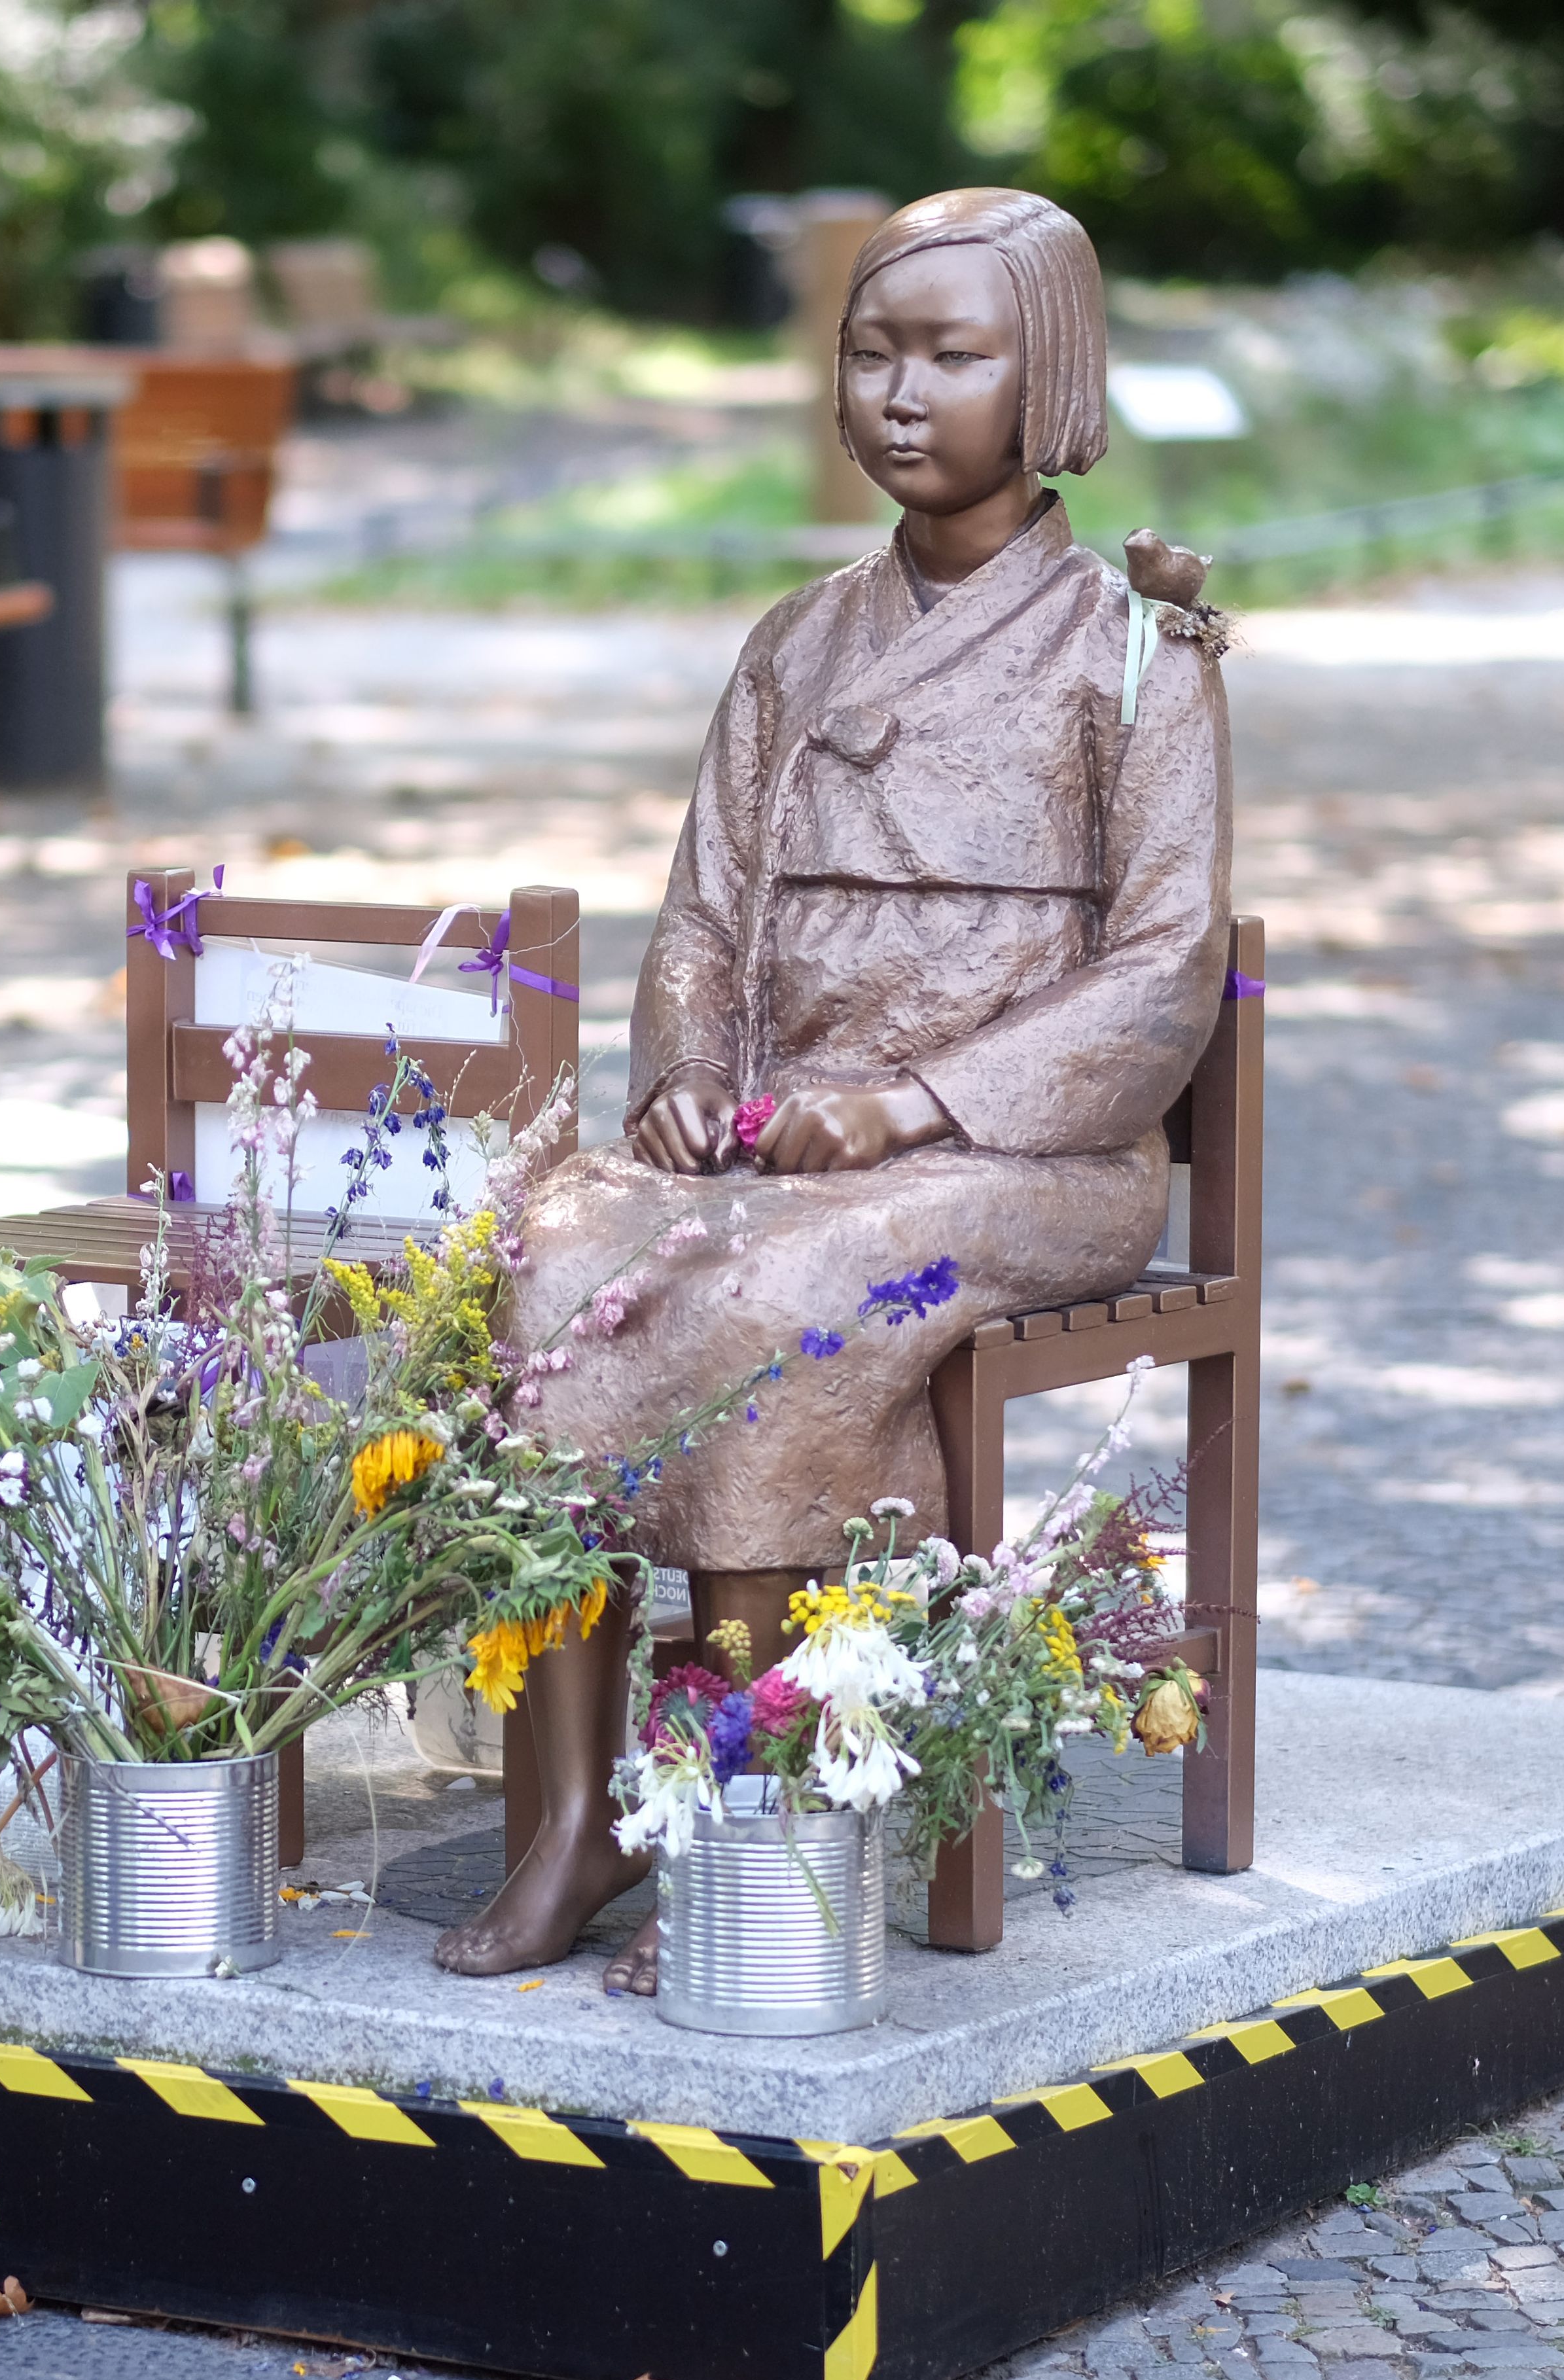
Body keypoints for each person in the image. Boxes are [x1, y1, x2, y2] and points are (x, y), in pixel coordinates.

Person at [435, 188, 1234, 1985]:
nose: (900, 393)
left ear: (1055, 377)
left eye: (955, 356)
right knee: (550, 1258)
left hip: (1025, 1161)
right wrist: (687, 1085)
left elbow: (1166, 969)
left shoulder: (1136, 653)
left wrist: (912, 1105)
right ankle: (571, 1818)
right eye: (871, 353)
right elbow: (708, 905)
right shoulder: (796, 638)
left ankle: (746, 1803)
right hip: (781, 1137)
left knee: (796, 1299)